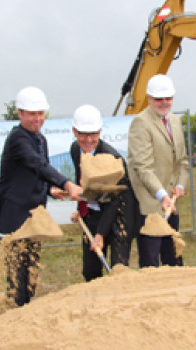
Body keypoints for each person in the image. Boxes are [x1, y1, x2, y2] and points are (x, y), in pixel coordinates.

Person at [0, 86, 83, 306]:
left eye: (41, 113)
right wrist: (66, 183)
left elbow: (36, 174)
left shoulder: (40, 139)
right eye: (32, 114)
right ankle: (15, 322)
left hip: (33, 217)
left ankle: (25, 313)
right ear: (20, 113)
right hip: (14, 217)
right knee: (17, 279)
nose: (37, 119)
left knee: (30, 274)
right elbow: (37, 164)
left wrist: (51, 189)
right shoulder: (18, 138)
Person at [69, 104, 139, 281]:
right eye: (83, 134)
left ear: (100, 132)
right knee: (90, 271)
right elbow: (84, 182)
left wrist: (100, 235)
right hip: (94, 211)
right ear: (74, 132)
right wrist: (82, 206)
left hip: (119, 213)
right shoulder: (75, 149)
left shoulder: (111, 158)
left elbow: (113, 201)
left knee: (117, 270)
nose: (88, 139)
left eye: (93, 133)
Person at [127, 74, 190, 268]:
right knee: (151, 264)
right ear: (149, 99)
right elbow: (142, 167)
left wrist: (180, 184)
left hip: (171, 203)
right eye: (159, 99)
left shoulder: (175, 121)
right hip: (151, 206)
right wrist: (161, 195)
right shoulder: (141, 123)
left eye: (168, 98)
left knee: (174, 259)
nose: (164, 103)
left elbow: (183, 161)